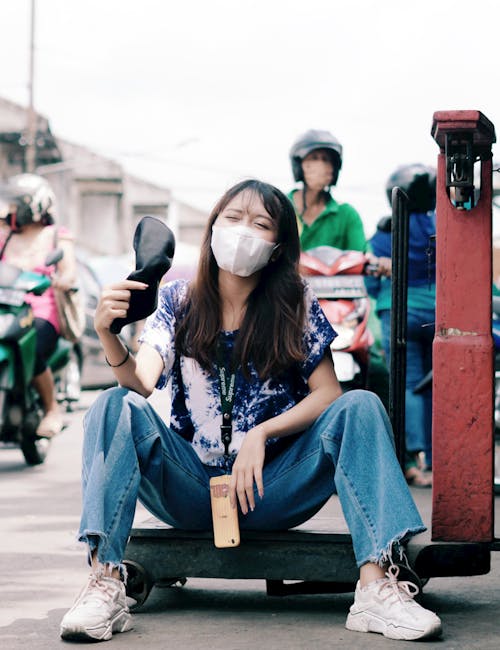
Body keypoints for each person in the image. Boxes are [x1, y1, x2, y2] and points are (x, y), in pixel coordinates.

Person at [59, 179, 441, 643]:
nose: (242, 232)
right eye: (232, 218)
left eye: (260, 224)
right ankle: (105, 581)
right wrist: (106, 334)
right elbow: (140, 381)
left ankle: (376, 586)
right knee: (113, 404)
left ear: (277, 248)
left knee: (361, 405)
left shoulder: (294, 302)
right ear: (213, 227)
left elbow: (328, 394)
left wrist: (261, 434)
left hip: (272, 487)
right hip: (189, 487)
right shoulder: (178, 301)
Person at [365, 164, 436, 486]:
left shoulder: (381, 234)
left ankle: (415, 461)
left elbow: (370, 284)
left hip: (396, 315)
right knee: (436, 388)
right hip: (437, 315)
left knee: (407, 386)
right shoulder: (441, 227)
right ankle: (437, 462)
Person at [0, 173, 77, 437]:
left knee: (31, 348)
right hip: (7, 307)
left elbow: (68, 271)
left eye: (15, 203)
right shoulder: (5, 235)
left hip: (41, 311)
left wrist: (62, 280)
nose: (10, 209)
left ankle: (51, 409)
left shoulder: (56, 236)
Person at [288, 129, 366, 252]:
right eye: (314, 158)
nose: (321, 165)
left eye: (326, 159)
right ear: (299, 165)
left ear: (333, 170)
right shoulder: (280, 206)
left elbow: (362, 255)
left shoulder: (347, 214)